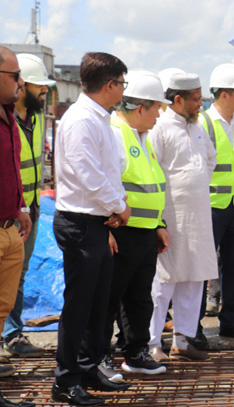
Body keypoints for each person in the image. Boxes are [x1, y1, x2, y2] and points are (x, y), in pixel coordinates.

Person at [52, 51, 132, 406]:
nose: (123, 90)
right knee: (79, 305)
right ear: (110, 84)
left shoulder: (100, 118)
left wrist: (114, 208)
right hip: (81, 222)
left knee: (98, 304)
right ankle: (65, 380)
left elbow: (110, 171)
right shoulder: (82, 119)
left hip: (98, 220)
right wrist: (119, 207)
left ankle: (86, 368)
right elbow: (89, 175)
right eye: (122, 83)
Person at [98, 71, 171, 381]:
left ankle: (136, 353)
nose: (160, 113)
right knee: (109, 296)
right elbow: (103, 186)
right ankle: (99, 356)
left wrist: (159, 223)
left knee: (139, 297)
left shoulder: (144, 137)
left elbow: (150, 186)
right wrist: (108, 233)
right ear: (141, 107)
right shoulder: (115, 135)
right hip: (121, 233)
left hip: (144, 232)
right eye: (157, 107)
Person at [147, 73, 217, 362]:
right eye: (196, 99)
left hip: (199, 215)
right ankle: (152, 344)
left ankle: (182, 341)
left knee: (194, 277)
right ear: (178, 100)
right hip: (170, 216)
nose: (201, 104)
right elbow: (151, 171)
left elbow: (210, 159)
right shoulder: (160, 128)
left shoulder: (198, 127)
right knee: (164, 281)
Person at [198, 63, 234, 340]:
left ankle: (231, 321)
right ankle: (192, 327)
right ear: (224, 95)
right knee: (202, 268)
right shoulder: (203, 123)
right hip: (211, 206)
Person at [3, 53, 54, 360]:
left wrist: (30, 209)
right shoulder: (7, 120)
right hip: (7, 212)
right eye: (40, 87)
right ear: (21, 86)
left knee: (17, 275)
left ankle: (11, 333)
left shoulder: (34, 120)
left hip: (27, 211)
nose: (45, 92)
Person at [0, 45, 36, 407]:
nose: (20, 84)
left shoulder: (11, 115)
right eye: (14, 77)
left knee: (3, 306)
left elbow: (11, 168)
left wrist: (21, 206)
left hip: (11, 225)